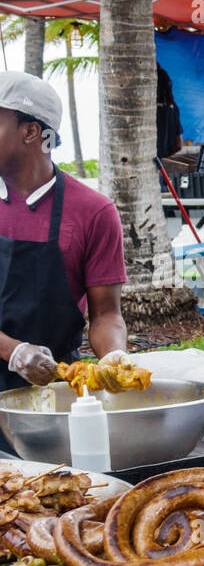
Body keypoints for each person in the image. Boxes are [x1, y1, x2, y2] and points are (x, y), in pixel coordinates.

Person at [0, 72, 128, 398]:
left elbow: (106, 313)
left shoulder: (93, 211)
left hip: (52, 392)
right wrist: (13, 351)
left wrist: (114, 356)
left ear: (30, 131)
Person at [156, 64, 183, 160]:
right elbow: (178, 145)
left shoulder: (148, 109)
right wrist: (163, 161)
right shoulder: (173, 106)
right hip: (163, 166)